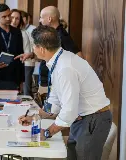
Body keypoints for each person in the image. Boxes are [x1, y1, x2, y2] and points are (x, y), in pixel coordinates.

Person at [19, 25, 112, 160]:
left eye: (34, 46)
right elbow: (55, 101)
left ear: (42, 49)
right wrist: (35, 116)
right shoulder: (59, 60)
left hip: (92, 119)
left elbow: (69, 111)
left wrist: (47, 133)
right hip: (82, 118)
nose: (32, 49)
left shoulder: (65, 68)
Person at [10, 9, 32, 95]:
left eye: (17, 18)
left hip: (19, 66)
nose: (14, 21)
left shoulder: (23, 33)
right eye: (12, 18)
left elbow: (27, 51)